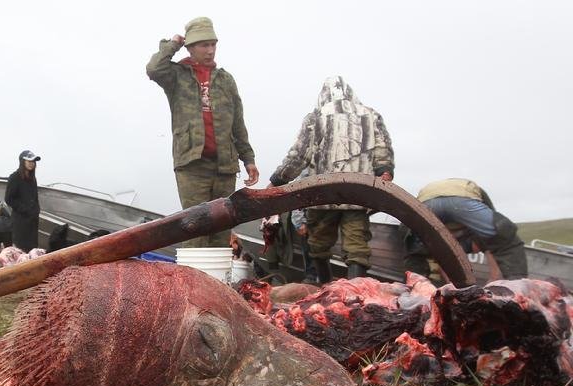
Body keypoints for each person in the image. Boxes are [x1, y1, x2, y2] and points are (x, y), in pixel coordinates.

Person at [269, 76, 395, 282]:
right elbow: (383, 149)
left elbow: (300, 155)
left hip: (322, 193)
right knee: (357, 247)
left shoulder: (316, 117)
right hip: (358, 193)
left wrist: (277, 180)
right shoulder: (371, 116)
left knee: (318, 244)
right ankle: (356, 292)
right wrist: (385, 171)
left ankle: (326, 287)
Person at [147, 16, 259, 248]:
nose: (210, 50)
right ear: (191, 47)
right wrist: (174, 43)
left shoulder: (226, 80)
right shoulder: (176, 75)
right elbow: (153, 68)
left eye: (213, 44)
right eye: (203, 45)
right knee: (195, 230)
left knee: (221, 229)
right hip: (192, 165)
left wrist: (248, 158)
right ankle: (192, 282)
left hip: (225, 167)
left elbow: (238, 122)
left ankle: (215, 282)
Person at [404, 178, 528, 281]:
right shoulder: (479, 204)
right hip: (462, 201)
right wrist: (494, 281)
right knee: (504, 237)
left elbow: (445, 257)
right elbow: (494, 244)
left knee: (415, 250)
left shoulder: (446, 241)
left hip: (426, 203)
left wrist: (453, 288)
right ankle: (516, 287)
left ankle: (416, 287)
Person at [4, 150, 41, 252]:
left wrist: (37, 210)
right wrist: (26, 210)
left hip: (32, 221)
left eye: (33, 161)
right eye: (29, 161)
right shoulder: (15, 177)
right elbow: (9, 199)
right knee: (21, 250)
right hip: (20, 221)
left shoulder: (33, 179)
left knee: (33, 250)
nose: (32, 163)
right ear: (22, 162)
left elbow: (35, 198)